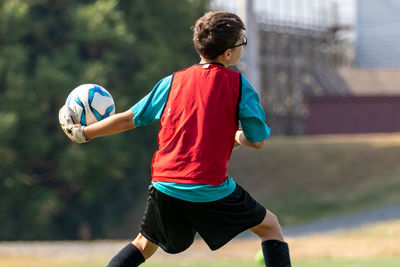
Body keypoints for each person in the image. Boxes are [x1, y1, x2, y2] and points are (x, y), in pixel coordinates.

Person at [59, 11, 291, 267]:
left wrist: (83, 133)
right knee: (270, 228)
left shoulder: (172, 81)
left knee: (143, 245)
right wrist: (237, 136)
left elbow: (128, 119)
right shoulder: (238, 84)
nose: (242, 48)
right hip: (209, 187)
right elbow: (256, 140)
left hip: (165, 184)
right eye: (241, 43)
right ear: (228, 53)